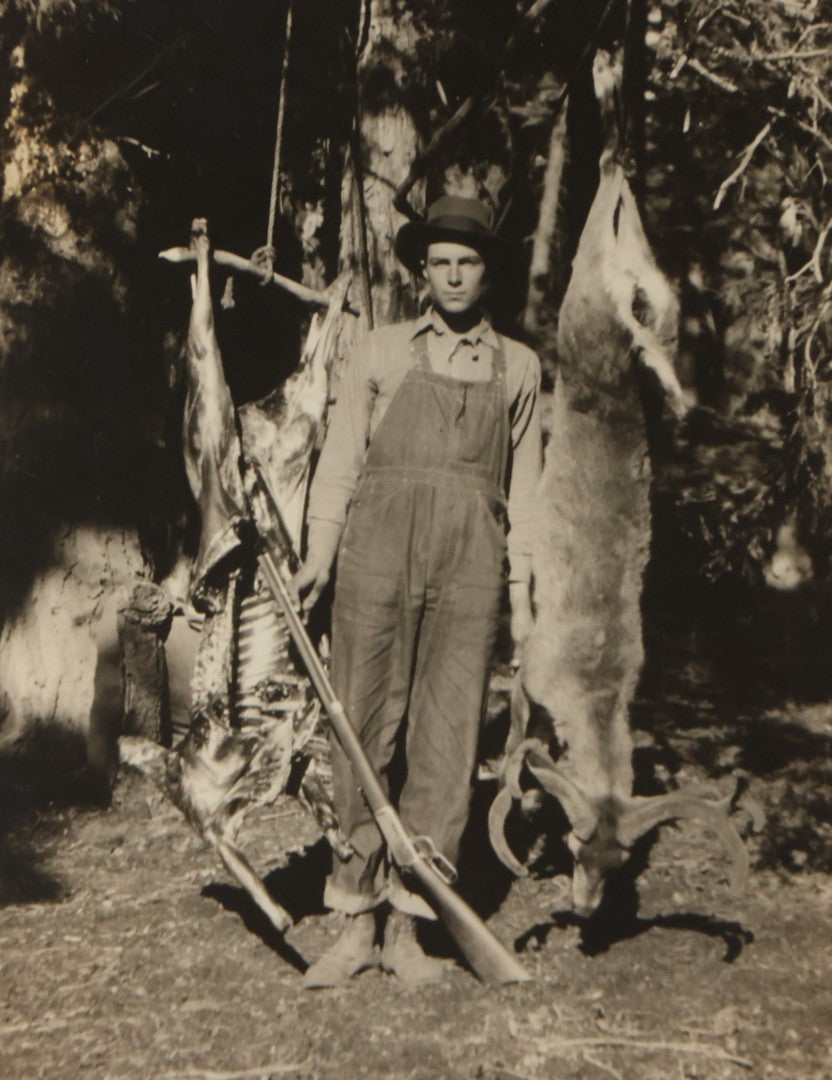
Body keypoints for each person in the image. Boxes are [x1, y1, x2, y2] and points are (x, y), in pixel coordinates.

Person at [291, 195, 542, 986]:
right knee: (360, 723)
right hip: (375, 554)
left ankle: (411, 926)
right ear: (422, 271)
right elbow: (337, 464)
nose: (454, 274)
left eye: (467, 261)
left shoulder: (522, 368)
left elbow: (527, 491)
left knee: (445, 733)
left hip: (471, 566)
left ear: (487, 272)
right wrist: (319, 556)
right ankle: (355, 923)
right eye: (439, 262)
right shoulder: (378, 350)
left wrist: (524, 590)